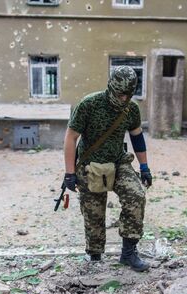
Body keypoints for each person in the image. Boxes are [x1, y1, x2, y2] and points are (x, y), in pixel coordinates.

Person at [62, 66, 152, 272]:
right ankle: (95, 257)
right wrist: (69, 173)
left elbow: (137, 136)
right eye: (120, 94)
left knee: (136, 195)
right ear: (111, 87)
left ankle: (128, 253)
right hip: (90, 164)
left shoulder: (131, 108)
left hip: (118, 161)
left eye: (128, 95)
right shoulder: (89, 104)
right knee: (94, 212)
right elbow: (71, 137)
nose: (123, 99)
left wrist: (145, 166)